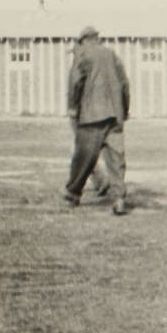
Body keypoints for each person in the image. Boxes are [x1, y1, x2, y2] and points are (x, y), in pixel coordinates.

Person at [64, 26, 131, 215]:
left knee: (84, 156)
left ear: (84, 40)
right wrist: (124, 110)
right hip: (115, 115)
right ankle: (118, 198)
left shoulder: (83, 55)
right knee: (116, 159)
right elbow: (124, 83)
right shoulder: (111, 55)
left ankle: (73, 193)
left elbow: (75, 82)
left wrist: (73, 108)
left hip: (91, 116)